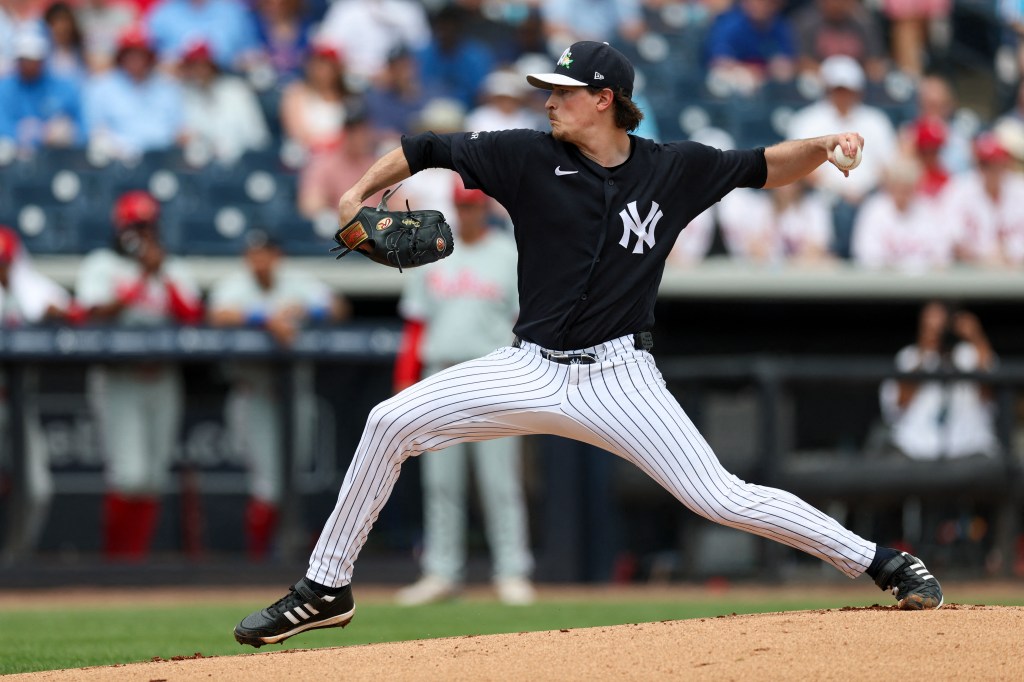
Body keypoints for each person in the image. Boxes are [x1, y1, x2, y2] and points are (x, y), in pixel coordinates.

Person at [235, 40, 943, 648]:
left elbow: (763, 165)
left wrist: (821, 147)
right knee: (388, 421)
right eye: (548, 90)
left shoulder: (673, 167)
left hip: (620, 377)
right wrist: (354, 192)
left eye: (563, 91)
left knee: (720, 496)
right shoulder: (523, 157)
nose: (548, 100)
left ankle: (882, 561)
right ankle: (326, 586)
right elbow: (424, 149)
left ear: (604, 99)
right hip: (529, 366)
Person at [393, 182, 534, 607]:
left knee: (499, 481)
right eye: (460, 206)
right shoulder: (432, 252)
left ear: (483, 208)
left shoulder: (508, 253)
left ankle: (512, 572)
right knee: (442, 482)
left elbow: (524, 321)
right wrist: (406, 379)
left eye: (472, 206)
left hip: (493, 374)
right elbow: (416, 325)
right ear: (453, 208)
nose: (467, 213)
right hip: (442, 375)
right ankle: (441, 573)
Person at [75, 190, 203, 560]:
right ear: (120, 227)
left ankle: (134, 565)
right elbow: (91, 315)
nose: (141, 233)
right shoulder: (102, 264)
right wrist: (140, 279)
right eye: (134, 226)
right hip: (119, 379)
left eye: (147, 226)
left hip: (162, 378)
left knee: (151, 480)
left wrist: (158, 272)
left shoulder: (171, 267)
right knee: (128, 476)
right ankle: (115, 562)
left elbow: (193, 318)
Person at [208, 229, 347, 559]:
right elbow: (218, 315)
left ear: (277, 256)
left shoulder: (295, 281)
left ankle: (283, 556)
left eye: (266, 253)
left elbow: (339, 308)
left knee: (290, 482)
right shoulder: (235, 284)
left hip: (294, 394)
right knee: (267, 485)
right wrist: (265, 318)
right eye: (254, 254)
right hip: (254, 392)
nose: (260, 261)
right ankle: (259, 561)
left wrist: (305, 311)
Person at [0, 226, 76, 561]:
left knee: (36, 489)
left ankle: (15, 563)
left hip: (16, 404)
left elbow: (70, 309)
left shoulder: (26, 289)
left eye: (4, 262)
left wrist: (53, 316)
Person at [786, 55, 897, 258]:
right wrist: (839, 191)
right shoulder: (808, 120)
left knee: (880, 208)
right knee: (825, 208)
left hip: (869, 195)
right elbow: (799, 166)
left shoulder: (875, 121)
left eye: (848, 90)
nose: (843, 95)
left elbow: (888, 166)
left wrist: (862, 192)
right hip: (822, 196)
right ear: (827, 89)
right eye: (838, 89)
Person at [879, 301, 998, 461]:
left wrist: (976, 336)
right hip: (914, 450)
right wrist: (925, 351)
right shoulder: (910, 356)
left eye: (942, 323)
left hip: (969, 449)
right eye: (929, 323)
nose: (936, 328)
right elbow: (899, 404)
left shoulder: (969, 354)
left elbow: (990, 390)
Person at [83, 25, 184, 161]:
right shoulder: (101, 86)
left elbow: (180, 128)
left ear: (150, 57)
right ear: (121, 57)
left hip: (162, 158)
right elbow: (95, 132)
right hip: (118, 162)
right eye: (130, 54)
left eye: (141, 54)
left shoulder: (167, 86)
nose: (135, 60)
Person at [850, 154, 952, 272]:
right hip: (883, 284)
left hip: (923, 284)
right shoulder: (874, 209)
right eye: (897, 187)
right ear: (889, 187)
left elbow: (941, 254)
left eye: (907, 189)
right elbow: (866, 255)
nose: (902, 194)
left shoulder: (927, 210)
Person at [178, 40, 271, 164]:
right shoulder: (187, 95)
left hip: (245, 159)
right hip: (209, 165)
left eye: (201, 64)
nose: (197, 71)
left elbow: (256, 137)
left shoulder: (236, 90)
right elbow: (191, 137)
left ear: (212, 64)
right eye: (191, 65)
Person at [0, 29, 84, 153]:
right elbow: (3, 126)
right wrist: (31, 134)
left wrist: (69, 131)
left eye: (33, 60)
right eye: (24, 60)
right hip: (17, 157)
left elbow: (82, 125)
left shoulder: (63, 86)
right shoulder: (5, 88)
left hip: (57, 156)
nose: (29, 65)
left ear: (43, 60)